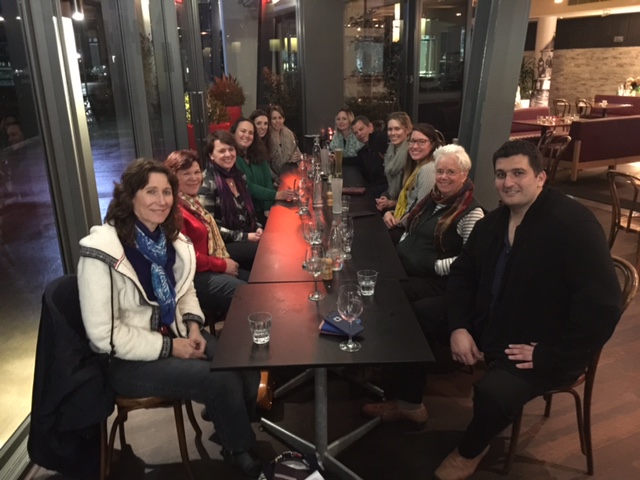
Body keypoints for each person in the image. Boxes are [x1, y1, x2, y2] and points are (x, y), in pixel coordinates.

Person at [433, 140, 622, 480]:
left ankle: (470, 450)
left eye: (518, 173)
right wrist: (458, 326)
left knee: (493, 394)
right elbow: (462, 274)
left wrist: (551, 355)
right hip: (494, 323)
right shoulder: (494, 222)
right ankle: (407, 403)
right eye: (501, 174)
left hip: (541, 345)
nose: (508, 183)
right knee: (418, 316)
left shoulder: (573, 225)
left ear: (541, 177)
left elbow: (604, 307)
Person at [77, 158, 264, 478]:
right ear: (130, 196)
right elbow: (103, 335)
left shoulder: (169, 240)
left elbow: (185, 289)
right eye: (151, 191)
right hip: (127, 361)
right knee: (219, 379)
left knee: (240, 361)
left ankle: (229, 425)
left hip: (176, 331)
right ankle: (238, 450)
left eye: (166, 192)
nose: (161, 200)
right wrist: (170, 347)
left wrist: (193, 326)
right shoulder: (101, 252)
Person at [363, 144, 484, 424]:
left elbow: (470, 261)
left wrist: (433, 265)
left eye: (451, 172)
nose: (443, 177)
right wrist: (402, 240)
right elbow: (411, 228)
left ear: (464, 175)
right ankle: (382, 363)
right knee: (374, 284)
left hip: (439, 281)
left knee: (395, 302)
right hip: (410, 270)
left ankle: (408, 401)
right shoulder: (433, 199)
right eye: (440, 171)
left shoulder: (471, 213)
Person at [164, 149, 248, 316]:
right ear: (173, 177)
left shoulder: (191, 202)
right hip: (192, 278)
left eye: (197, 172)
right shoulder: (175, 210)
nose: (194, 178)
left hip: (208, 266)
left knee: (259, 283)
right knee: (247, 294)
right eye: (186, 174)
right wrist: (223, 265)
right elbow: (187, 257)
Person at [199, 130, 262, 270]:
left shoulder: (239, 176)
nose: (228, 154)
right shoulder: (207, 182)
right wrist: (246, 237)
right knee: (266, 252)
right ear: (211, 155)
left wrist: (258, 227)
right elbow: (210, 228)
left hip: (246, 235)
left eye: (231, 149)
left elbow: (249, 212)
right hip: (224, 245)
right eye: (222, 151)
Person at [382, 124, 444, 240]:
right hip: (405, 224)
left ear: (432, 144)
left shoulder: (428, 169)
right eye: (412, 141)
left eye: (421, 142)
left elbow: (420, 212)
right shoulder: (417, 166)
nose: (415, 146)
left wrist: (397, 222)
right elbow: (410, 205)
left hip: (413, 233)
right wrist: (390, 213)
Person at [231, 117, 295, 224]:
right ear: (233, 133)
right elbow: (247, 186)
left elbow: (267, 181)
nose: (247, 135)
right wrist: (276, 195)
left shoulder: (258, 152)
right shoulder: (231, 158)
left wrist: (267, 208)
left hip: (265, 209)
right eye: (243, 131)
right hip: (247, 215)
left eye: (250, 133)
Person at [375, 111, 413, 212]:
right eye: (390, 129)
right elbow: (390, 187)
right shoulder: (390, 151)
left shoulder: (412, 154)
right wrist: (384, 197)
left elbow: (413, 196)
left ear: (407, 130)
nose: (392, 133)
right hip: (393, 205)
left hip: (406, 210)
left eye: (397, 129)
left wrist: (392, 203)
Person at [351, 115, 388, 197]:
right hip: (376, 190)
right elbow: (355, 160)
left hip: (387, 190)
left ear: (370, 127)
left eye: (361, 129)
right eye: (356, 133)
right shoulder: (363, 151)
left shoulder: (381, 138)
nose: (359, 134)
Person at [267, 105, 301, 177]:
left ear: (283, 119)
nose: (277, 121)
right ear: (270, 121)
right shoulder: (267, 137)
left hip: (290, 174)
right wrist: (276, 179)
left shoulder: (289, 134)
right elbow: (266, 166)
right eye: (274, 118)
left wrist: (298, 157)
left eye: (280, 118)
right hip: (273, 178)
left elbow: (298, 154)